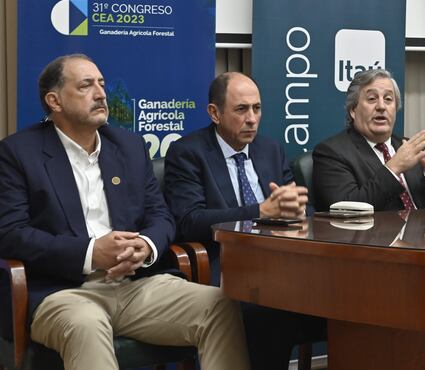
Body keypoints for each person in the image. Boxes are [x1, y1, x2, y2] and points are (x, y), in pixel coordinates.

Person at [0, 54, 249, 370]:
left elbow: (160, 215)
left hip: (137, 285)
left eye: (102, 84)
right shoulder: (18, 153)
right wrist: (90, 253)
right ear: (55, 100)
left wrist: (145, 246)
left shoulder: (129, 146)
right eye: (86, 85)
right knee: (87, 324)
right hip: (63, 292)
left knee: (219, 305)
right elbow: (11, 234)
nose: (101, 93)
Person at [164, 71, 324, 370]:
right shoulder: (188, 152)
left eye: (257, 108)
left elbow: (294, 206)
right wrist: (261, 211)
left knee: (337, 300)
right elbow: (188, 221)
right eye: (241, 110)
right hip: (224, 263)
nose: (252, 118)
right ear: (214, 113)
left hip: (279, 262)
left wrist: (298, 211)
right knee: (267, 313)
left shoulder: (269, 149)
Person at [313, 68, 425, 212]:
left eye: (388, 99)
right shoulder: (331, 152)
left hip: (424, 233)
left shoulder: (410, 148)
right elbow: (346, 211)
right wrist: (394, 167)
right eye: (372, 99)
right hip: (373, 234)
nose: (381, 106)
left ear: (395, 109)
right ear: (353, 110)